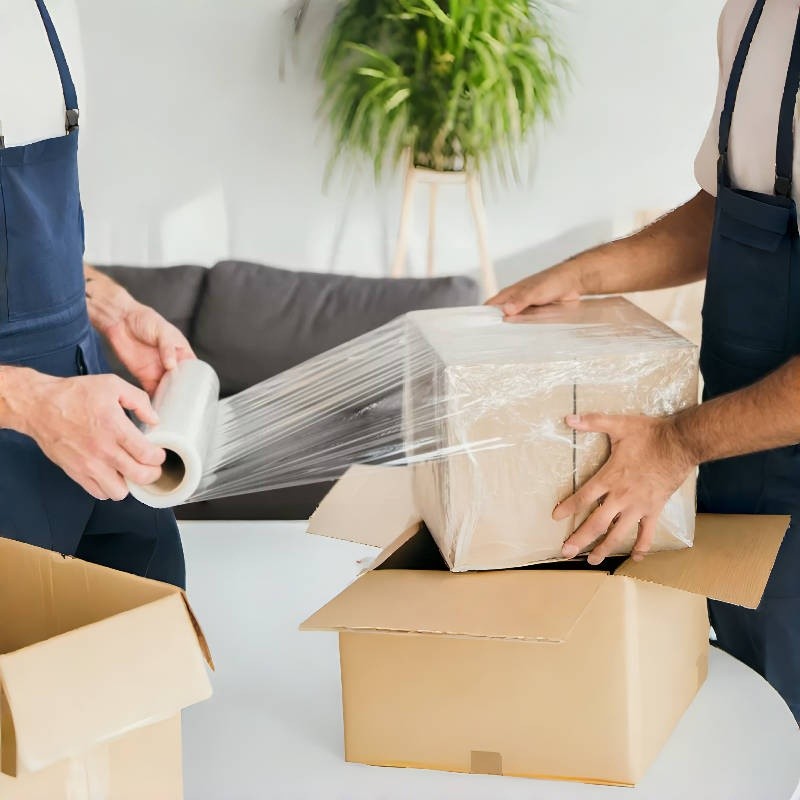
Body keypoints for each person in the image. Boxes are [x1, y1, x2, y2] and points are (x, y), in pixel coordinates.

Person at [489, 0, 800, 723]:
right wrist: (584, 273)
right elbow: (731, 208)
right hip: (738, 452)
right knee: (743, 708)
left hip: (732, 441)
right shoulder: (751, 17)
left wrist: (675, 442)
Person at [0, 0, 193, 587]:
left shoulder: (47, 11)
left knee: (146, 645)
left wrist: (109, 305)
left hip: (87, 421)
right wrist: (31, 402)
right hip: (22, 425)